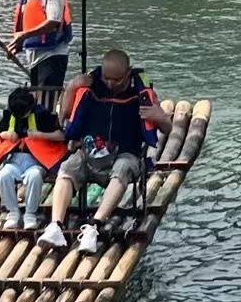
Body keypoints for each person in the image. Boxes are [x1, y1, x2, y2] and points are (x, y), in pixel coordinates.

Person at [38, 49, 170, 254]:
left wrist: (159, 116)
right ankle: (56, 226)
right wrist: (72, 88)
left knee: (122, 169)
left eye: (116, 80)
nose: (110, 84)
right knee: (67, 168)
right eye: (106, 78)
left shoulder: (140, 93)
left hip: (125, 153)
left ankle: (94, 227)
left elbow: (167, 129)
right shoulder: (91, 87)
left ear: (127, 74)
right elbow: (62, 118)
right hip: (91, 151)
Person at [0, 87, 67, 230]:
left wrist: (39, 135)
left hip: (37, 160)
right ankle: (13, 213)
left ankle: (30, 214)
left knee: (34, 176)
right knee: (3, 176)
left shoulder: (42, 114)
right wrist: (6, 135)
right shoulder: (10, 114)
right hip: (15, 160)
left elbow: (61, 136)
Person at [7, 0, 72, 100]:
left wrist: (24, 35)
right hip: (34, 57)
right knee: (36, 100)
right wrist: (17, 45)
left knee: (46, 103)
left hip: (52, 56)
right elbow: (28, 23)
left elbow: (53, 21)